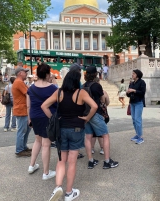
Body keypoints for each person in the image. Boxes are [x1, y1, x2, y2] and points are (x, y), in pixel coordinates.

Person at [42, 70, 98, 201]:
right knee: (72, 162)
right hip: (77, 128)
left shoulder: (59, 92)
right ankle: (69, 192)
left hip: (61, 128)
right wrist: (87, 118)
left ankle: (58, 187)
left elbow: (44, 105)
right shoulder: (81, 92)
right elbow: (94, 106)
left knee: (62, 160)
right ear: (76, 80)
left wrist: (53, 119)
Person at [83, 66, 119, 169]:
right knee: (105, 136)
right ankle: (107, 161)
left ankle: (91, 161)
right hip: (95, 114)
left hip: (86, 114)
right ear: (95, 74)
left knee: (88, 137)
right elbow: (103, 101)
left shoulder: (83, 86)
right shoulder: (96, 86)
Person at [27, 63, 58, 180]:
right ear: (47, 74)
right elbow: (59, 98)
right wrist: (54, 81)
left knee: (37, 141)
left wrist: (29, 118)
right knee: (46, 144)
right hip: (47, 116)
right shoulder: (52, 88)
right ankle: (46, 172)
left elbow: (28, 106)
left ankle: (31, 165)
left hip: (34, 116)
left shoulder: (31, 88)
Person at [12, 66, 32, 157]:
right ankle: (20, 149)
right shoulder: (19, 82)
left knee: (26, 130)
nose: (26, 73)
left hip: (23, 109)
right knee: (22, 130)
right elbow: (29, 93)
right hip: (22, 110)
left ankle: (23, 147)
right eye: (25, 72)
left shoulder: (20, 82)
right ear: (20, 73)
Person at [126, 69, 146, 144]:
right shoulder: (131, 83)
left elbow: (142, 93)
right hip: (132, 103)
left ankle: (141, 137)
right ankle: (137, 134)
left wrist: (134, 90)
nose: (132, 75)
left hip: (139, 102)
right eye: (132, 73)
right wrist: (128, 92)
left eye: (133, 73)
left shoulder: (142, 82)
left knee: (138, 120)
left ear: (137, 74)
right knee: (134, 120)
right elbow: (128, 95)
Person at [91, 77, 110, 155]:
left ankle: (91, 148)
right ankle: (102, 148)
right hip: (102, 113)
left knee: (92, 132)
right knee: (102, 132)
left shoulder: (89, 91)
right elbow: (107, 102)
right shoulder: (103, 92)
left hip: (91, 113)